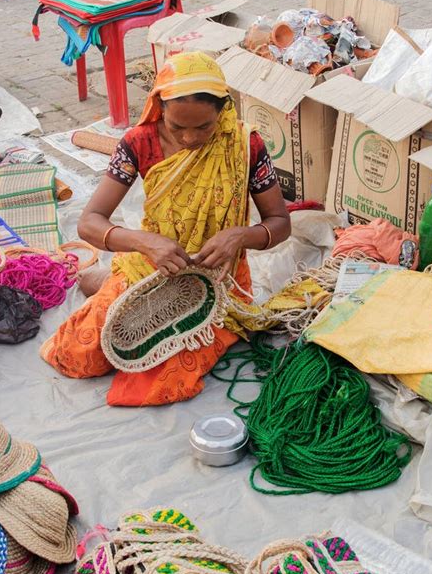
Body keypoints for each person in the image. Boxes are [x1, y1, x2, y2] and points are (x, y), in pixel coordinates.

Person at [41, 51, 290, 406]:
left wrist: (240, 236)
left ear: (223, 110)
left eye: (204, 127)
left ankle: (105, 282)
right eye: (177, 127)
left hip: (216, 278)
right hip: (152, 265)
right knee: (78, 358)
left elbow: (280, 224)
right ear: (159, 108)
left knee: (161, 382)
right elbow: (89, 222)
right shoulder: (139, 142)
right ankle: (105, 280)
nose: (189, 138)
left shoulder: (244, 145)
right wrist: (144, 243)